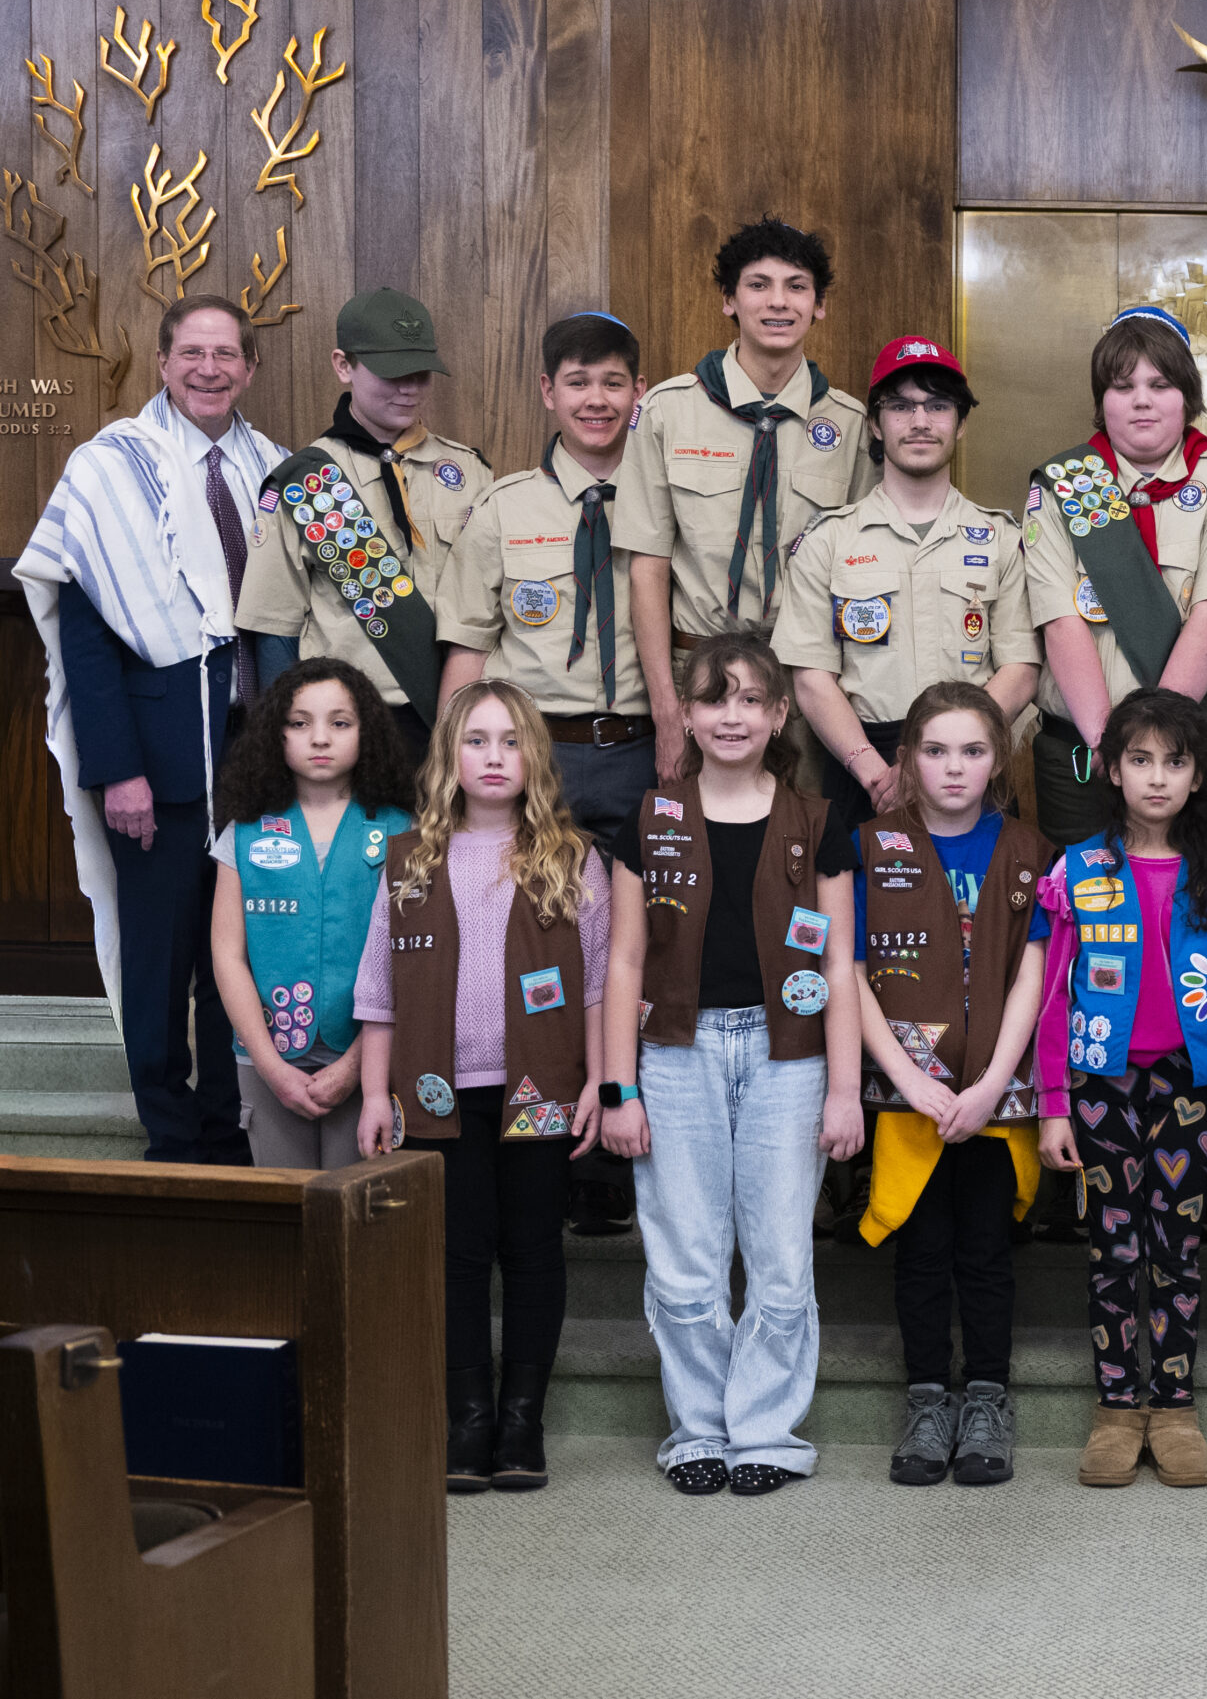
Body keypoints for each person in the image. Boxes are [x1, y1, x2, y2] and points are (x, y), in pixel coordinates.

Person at [15, 294, 288, 1164]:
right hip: (159, 765)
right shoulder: (107, 468)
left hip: (256, 753)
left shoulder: (277, 469)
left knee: (236, 956)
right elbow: (86, 641)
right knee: (160, 962)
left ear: (251, 368)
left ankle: (227, 1126)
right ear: (164, 363)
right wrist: (117, 771)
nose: (210, 368)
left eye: (227, 354)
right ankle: (169, 1135)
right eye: (192, 352)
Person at [598, 633, 865, 1497]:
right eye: (714, 698)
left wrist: (845, 1089)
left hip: (789, 1058)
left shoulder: (818, 826)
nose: (733, 715)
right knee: (684, 1252)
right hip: (676, 1055)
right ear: (686, 712)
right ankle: (700, 1428)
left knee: (782, 1251)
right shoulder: (651, 819)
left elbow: (838, 967)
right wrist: (617, 1087)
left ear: (781, 714)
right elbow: (624, 963)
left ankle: (765, 1431)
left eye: (752, 699)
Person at [352, 678, 612, 1494]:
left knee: (533, 1251)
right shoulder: (409, 860)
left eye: (509, 741)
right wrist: (371, 1095)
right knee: (456, 1256)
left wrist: (604, 1082)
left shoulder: (573, 857)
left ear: (535, 755)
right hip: (436, 1093)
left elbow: (602, 983)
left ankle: (520, 1418)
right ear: (449, 758)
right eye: (476, 741)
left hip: (540, 1088)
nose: (493, 757)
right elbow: (377, 994)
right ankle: (467, 1413)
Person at [1033, 688, 1207, 1488]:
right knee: (1113, 1246)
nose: (1157, 777)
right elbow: (1055, 995)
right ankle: (1119, 1405)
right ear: (1112, 769)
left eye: (1176, 761)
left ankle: (1177, 1406)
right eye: (1140, 760)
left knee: (1178, 1248)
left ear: (1198, 774)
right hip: (1102, 1084)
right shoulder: (1081, 866)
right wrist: (1053, 1100)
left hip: (1191, 1086)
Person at [848, 683, 1053, 1488]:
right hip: (911, 1098)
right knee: (922, 1250)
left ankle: (988, 1401)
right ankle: (928, 1400)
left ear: (997, 758)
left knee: (986, 1252)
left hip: (993, 1102)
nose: (955, 767)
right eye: (935, 750)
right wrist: (908, 1079)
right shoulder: (871, 846)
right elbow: (851, 971)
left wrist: (993, 1083)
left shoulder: (1030, 848)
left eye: (973, 750)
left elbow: (1034, 971)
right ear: (906, 761)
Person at [621, 218, 877, 787]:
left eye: (797, 285)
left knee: (804, 846)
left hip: (807, 673)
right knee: (698, 850)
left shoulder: (851, 425)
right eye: (758, 285)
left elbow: (866, 573)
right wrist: (666, 709)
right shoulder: (667, 411)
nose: (778, 302)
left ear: (820, 305)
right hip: (699, 672)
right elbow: (647, 565)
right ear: (728, 301)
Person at [776, 335, 1037, 824]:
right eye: (901, 406)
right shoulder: (828, 540)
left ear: (961, 423)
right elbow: (812, 679)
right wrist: (880, 776)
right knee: (860, 900)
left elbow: (1021, 667)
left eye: (938, 406)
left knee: (987, 900)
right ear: (874, 423)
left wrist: (952, 754)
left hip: (976, 762)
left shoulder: (1002, 539)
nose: (920, 422)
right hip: (865, 766)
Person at [1024, 307, 1207, 844]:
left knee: (1193, 910)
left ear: (1188, 396)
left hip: (1187, 756)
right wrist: (1113, 747)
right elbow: (1060, 623)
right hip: (1085, 755)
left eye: (1160, 383)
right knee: (1083, 917)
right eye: (1123, 385)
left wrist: (1155, 749)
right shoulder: (1063, 484)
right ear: (1101, 401)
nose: (1142, 399)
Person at [234, 288, 493, 753]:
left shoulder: (469, 471)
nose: (409, 387)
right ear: (343, 365)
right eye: (392, 372)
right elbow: (276, 628)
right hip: (344, 726)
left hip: (454, 720)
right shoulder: (303, 482)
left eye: (420, 373)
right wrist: (283, 743)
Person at [441, 312, 653, 838]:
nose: (596, 400)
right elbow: (468, 647)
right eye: (577, 383)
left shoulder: (667, 504)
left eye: (613, 383)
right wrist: (449, 769)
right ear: (548, 391)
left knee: (643, 911)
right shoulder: (500, 509)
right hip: (530, 754)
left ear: (638, 392)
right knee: (530, 912)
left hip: (643, 751)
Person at [208, 659, 414, 1169]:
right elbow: (227, 954)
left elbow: (411, 962)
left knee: (360, 1219)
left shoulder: (403, 832)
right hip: (266, 1057)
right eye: (300, 723)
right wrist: (270, 1066)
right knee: (287, 1220)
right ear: (275, 734)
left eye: (339, 723)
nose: (319, 738)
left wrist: (353, 1068)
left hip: (371, 1056)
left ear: (367, 732)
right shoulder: (245, 831)